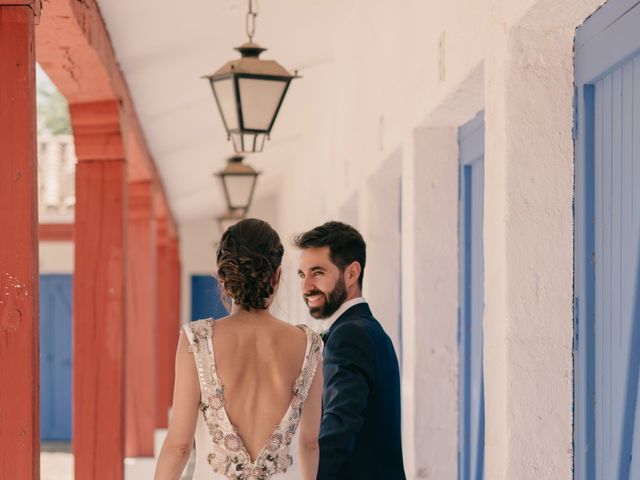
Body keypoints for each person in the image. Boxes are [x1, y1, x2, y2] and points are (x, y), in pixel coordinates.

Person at [155, 218, 323, 480]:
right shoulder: (308, 345)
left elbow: (179, 447)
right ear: (277, 275)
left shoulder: (197, 340)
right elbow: (310, 442)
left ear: (223, 277)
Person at [294, 221, 406, 479]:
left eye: (318, 272)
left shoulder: (349, 336)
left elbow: (337, 432)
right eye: (302, 274)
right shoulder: (368, 329)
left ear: (352, 273)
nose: (306, 287)